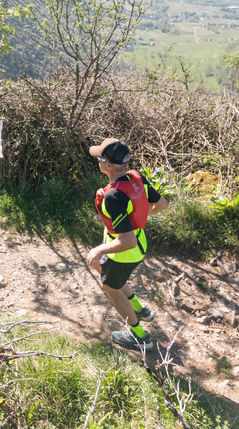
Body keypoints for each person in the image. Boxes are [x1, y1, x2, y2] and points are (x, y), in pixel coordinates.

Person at [86, 138, 168, 352]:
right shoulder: (136, 177)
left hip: (124, 252)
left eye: (100, 159)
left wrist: (98, 249)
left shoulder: (113, 195)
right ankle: (140, 309)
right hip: (139, 243)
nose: (98, 162)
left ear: (109, 166)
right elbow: (162, 204)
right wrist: (139, 216)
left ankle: (140, 336)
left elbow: (126, 241)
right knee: (115, 278)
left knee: (111, 288)